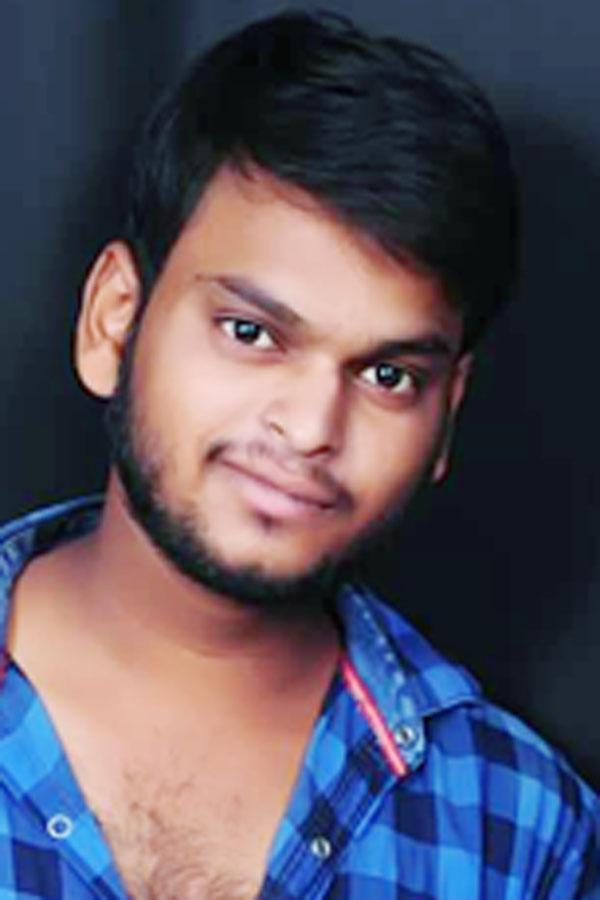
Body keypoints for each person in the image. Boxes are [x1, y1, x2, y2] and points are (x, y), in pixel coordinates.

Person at [0, 10, 597, 899]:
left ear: (447, 415)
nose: (315, 425)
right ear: (114, 321)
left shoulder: (518, 826)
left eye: (389, 375)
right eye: (251, 332)